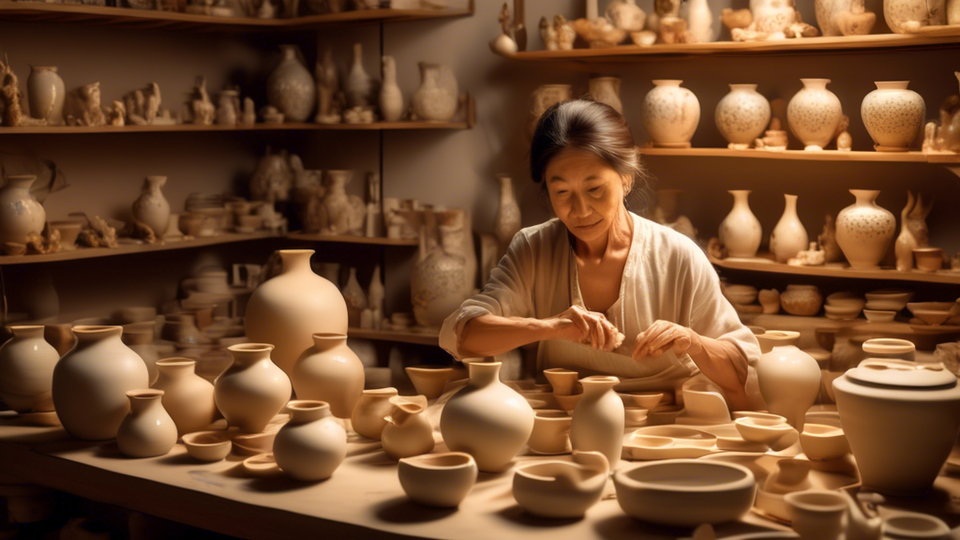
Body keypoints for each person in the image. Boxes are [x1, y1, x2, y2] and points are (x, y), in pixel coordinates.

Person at [439, 99, 761, 410]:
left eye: (595, 189)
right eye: (562, 192)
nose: (580, 210)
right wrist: (550, 327)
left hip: (665, 430)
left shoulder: (677, 256)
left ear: (626, 178)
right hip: (568, 424)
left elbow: (744, 373)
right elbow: (463, 335)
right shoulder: (533, 249)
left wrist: (693, 341)